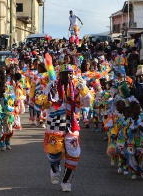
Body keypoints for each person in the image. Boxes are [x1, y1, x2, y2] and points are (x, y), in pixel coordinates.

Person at [43, 64, 91, 192]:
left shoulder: (77, 87)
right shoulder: (52, 86)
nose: (69, 76)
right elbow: (45, 104)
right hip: (55, 124)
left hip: (72, 124)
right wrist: (49, 98)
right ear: (60, 75)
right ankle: (54, 169)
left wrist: (84, 90)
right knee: (54, 153)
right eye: (65, 73)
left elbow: (87, 103)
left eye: (70, 73)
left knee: (74, 154)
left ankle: (66, 182)